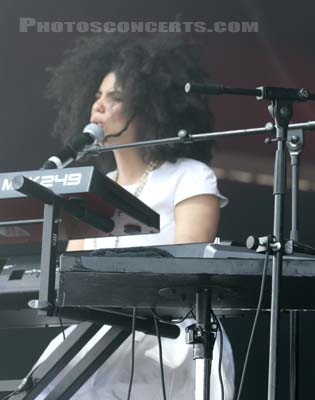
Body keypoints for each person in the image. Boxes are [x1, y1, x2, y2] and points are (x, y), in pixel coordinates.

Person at [33, 34, 235, 399]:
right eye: (96, 96)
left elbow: (190, 271)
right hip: (95, 335)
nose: (99, 107)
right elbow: (73, 274)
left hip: (172, 343)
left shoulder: (189, 175)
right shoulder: (89, 187)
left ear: (148, 107)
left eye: (115, 98)